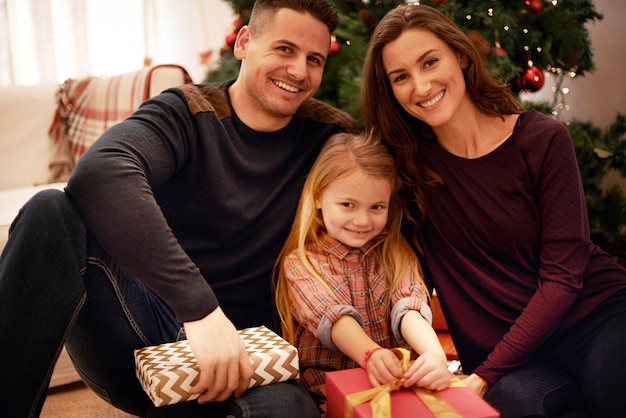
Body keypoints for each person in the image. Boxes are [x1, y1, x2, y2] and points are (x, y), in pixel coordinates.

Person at [0, 0, 356, 417]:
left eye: (314, 59)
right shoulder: (188, 111)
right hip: (149, 336)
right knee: (49, 212)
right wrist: (200, 311)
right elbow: (100, 172)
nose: (299, 70)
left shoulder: (330, 137)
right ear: (244, 43)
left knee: (290, 412)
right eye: (284, 49)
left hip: (258, 361)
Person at [359, 4, 626, 418]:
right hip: (519, 359)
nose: (421, 85)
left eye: (430, 62)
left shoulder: (542, 141)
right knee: (514, 406)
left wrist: (482, 377)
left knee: (614, 390)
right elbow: (399, 270)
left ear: (461, 56)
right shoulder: (406, 171)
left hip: (596, 319)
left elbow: (562, 278)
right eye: (400, 77)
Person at [274, 132, 451, 412]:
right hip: (330, 395)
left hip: (399, 386)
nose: (362, 220)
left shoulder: (394, 251)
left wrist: (433, 353)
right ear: (318, 197)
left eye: (377, 207)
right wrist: (370, 354)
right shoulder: (302, 263)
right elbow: (332, 317)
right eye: (348, 205)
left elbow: (408, 307)